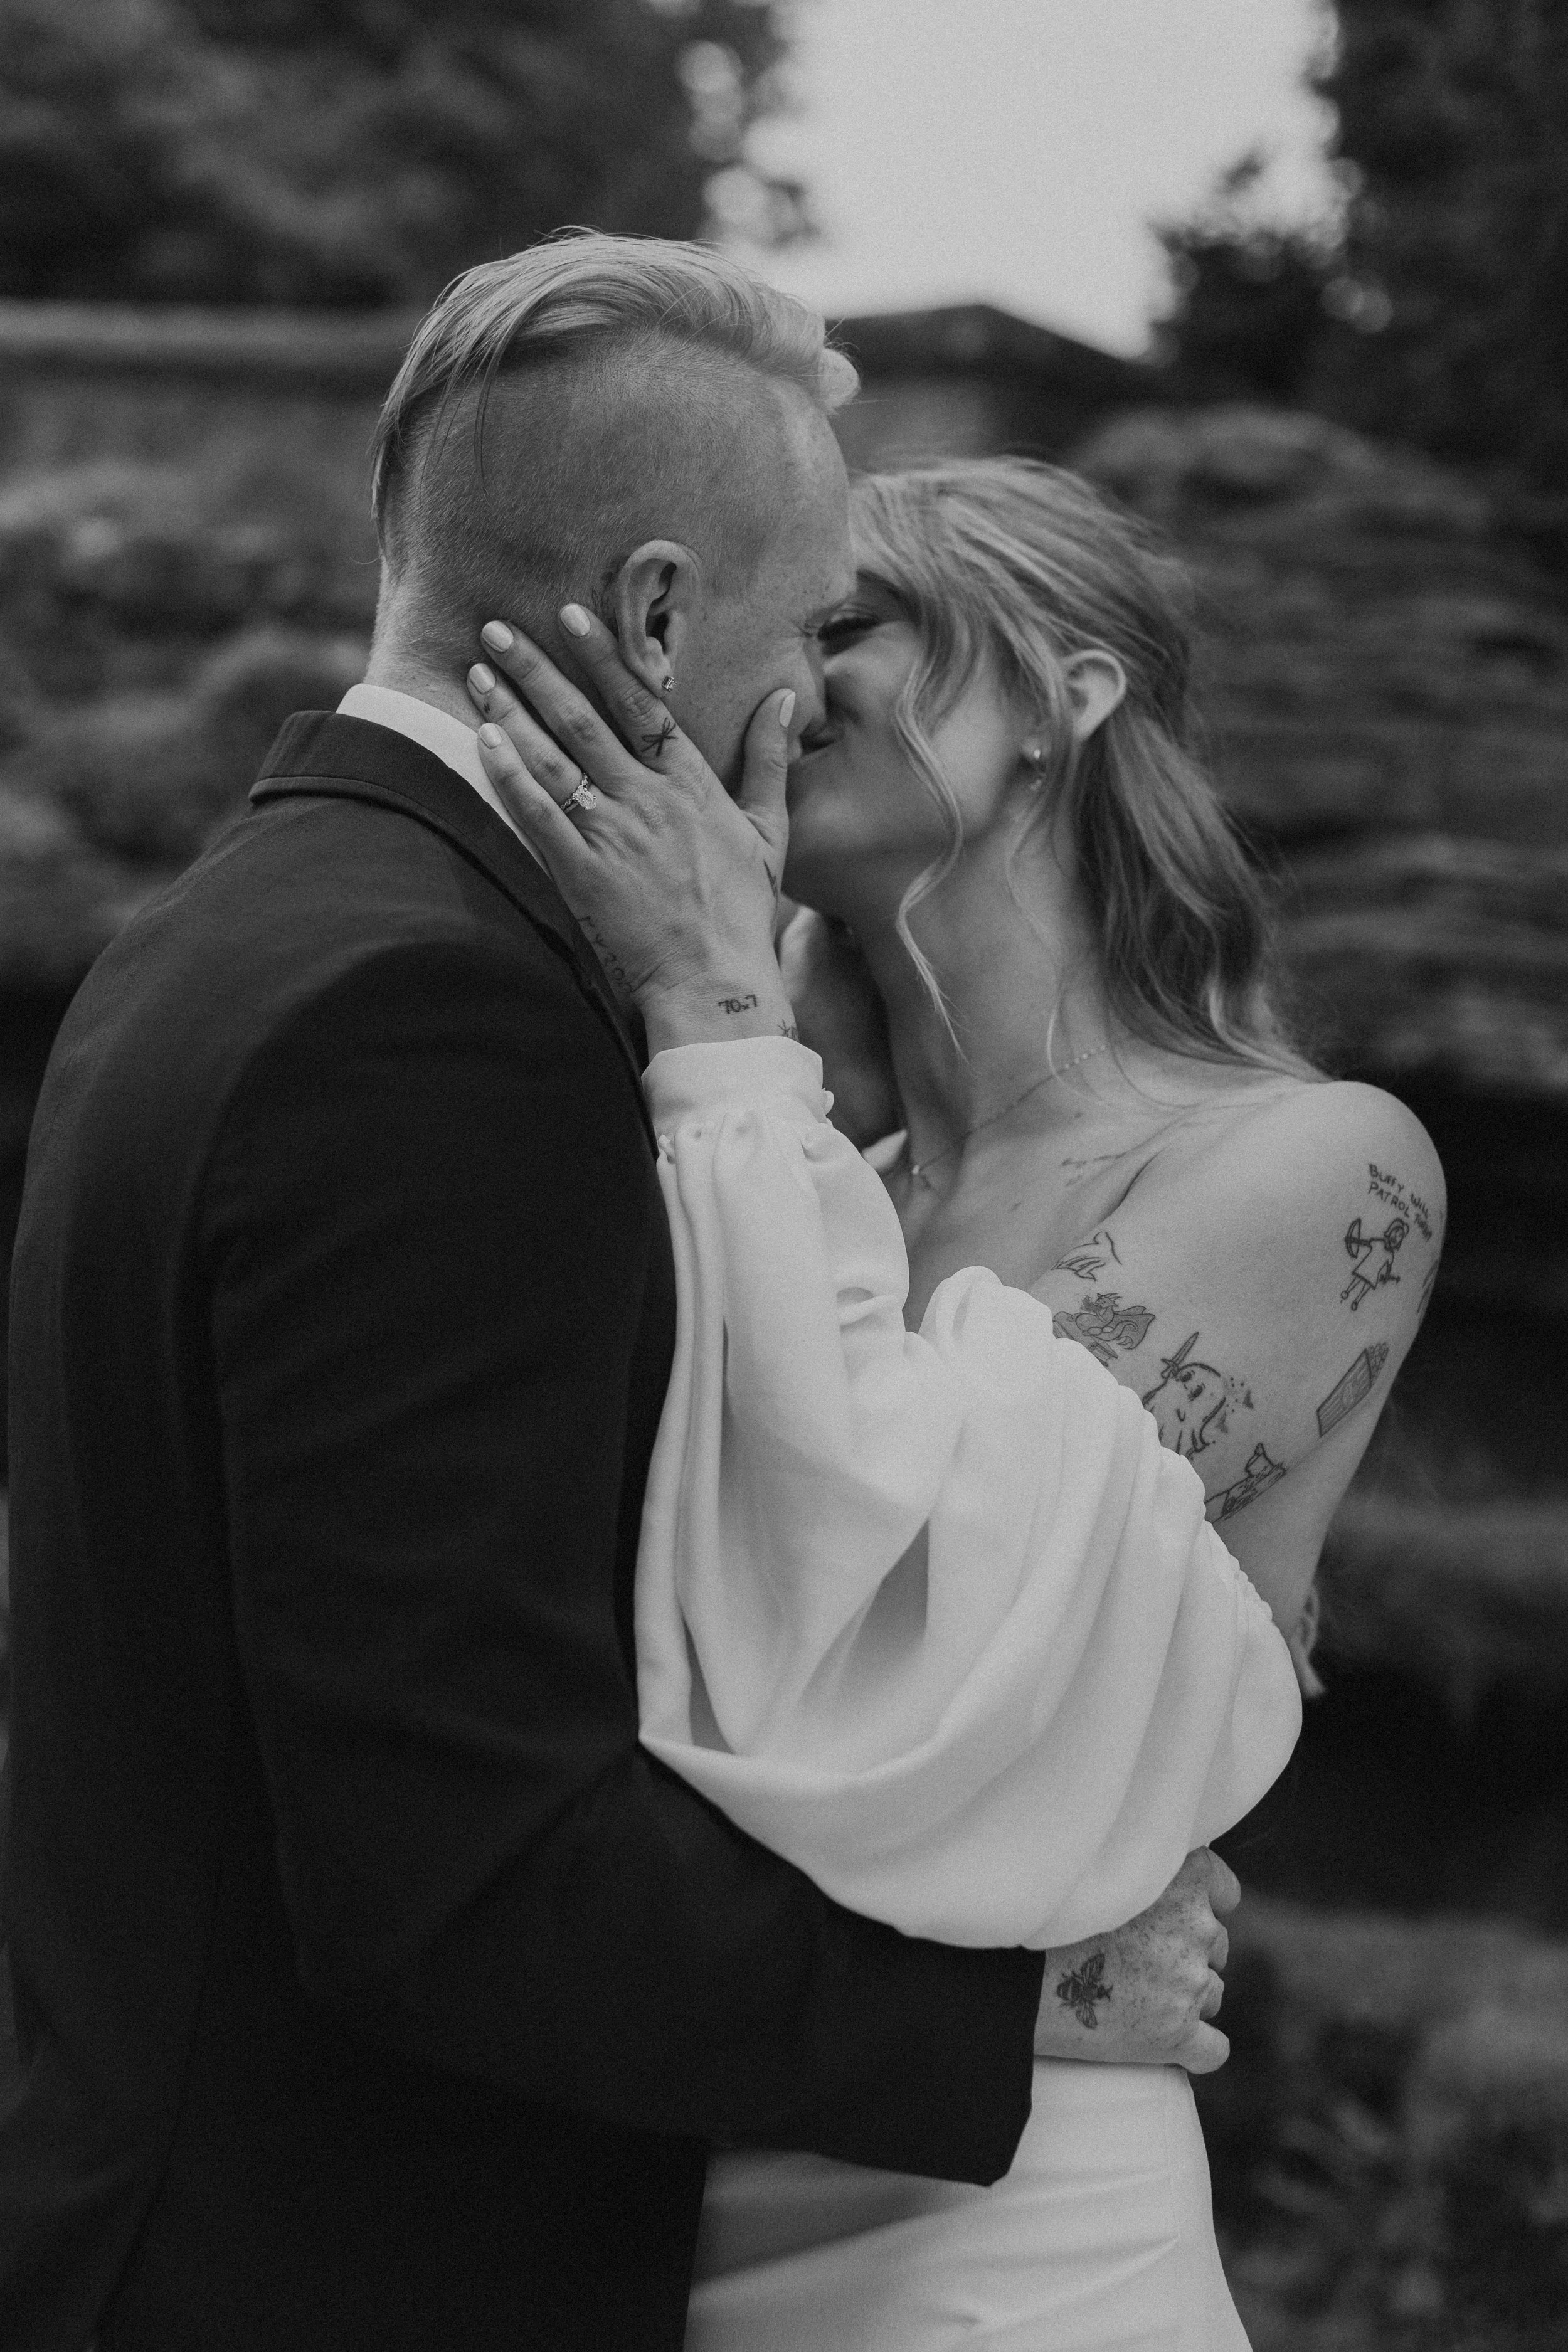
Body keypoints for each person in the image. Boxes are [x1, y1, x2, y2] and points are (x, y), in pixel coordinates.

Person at [0, 240, 1238, 2352]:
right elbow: (456, 1876)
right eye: (816, 613)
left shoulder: (235, 922)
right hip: (330, 2273)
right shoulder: (435, 1019)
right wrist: (1004, 1995)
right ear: (660, 613)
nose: (820, 679)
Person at [463, 454, 1443, 2347]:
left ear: (1065, 702)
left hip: (996, 2237)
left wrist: (720, 1005)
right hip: (647, 2196)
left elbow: (861, 1641)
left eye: (851, 622)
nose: (781, 675)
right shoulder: (796, 1178)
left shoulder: (1305, 1165)